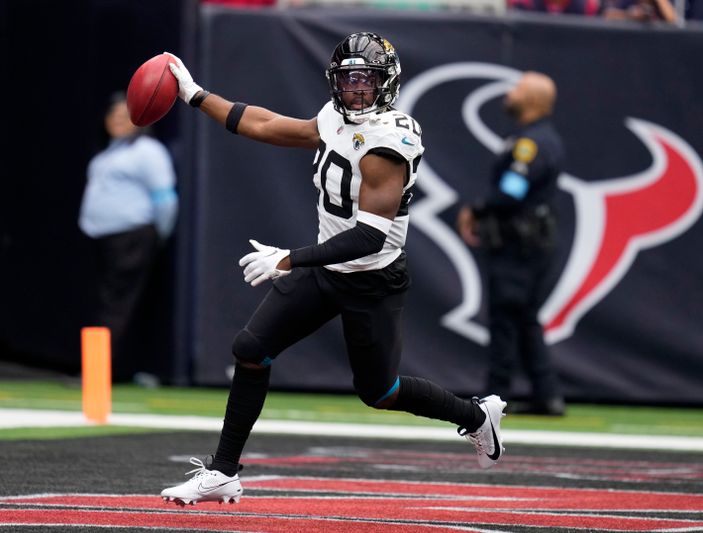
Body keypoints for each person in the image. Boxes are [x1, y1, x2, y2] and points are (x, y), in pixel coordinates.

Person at [159, 32, 507, 506]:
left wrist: (288, 258)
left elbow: (369, 235)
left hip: (372, 279)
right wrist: (196, 96)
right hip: (327, 268)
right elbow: (266, 125)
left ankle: (475, 415)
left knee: (379, 391)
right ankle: (223, 471)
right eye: (347, 80)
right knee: (250, 349)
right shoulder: (333, 117)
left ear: (387, 84)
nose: (355, 90)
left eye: (366, 81)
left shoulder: (390, 141)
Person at [457, 72, 565, 417]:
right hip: (528, 244)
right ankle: (546, 394)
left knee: (506, 317)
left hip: (519, 246)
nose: (510, 93)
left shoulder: (531, 143)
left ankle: (495, 398)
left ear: (533, 100)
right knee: (524, 318)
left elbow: (511, 193)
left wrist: (476, 209)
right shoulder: (529, 138)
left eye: (518, 88)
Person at [78, 92, 178, 384]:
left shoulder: (147, 151)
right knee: (105, 302)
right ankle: (106, 369)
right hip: (104, 239)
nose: (118, 120)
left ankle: (98, 375)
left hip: (131, 238)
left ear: (140, 120)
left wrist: (159, 233)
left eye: (125, 116)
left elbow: (165, 199)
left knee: (116, 305)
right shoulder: (110, 152)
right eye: (114, 115)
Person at [602, 0, 677, 23]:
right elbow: (608, 15)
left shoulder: (662, 4)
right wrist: (630, 16)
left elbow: (674, 20)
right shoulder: (629, 2)